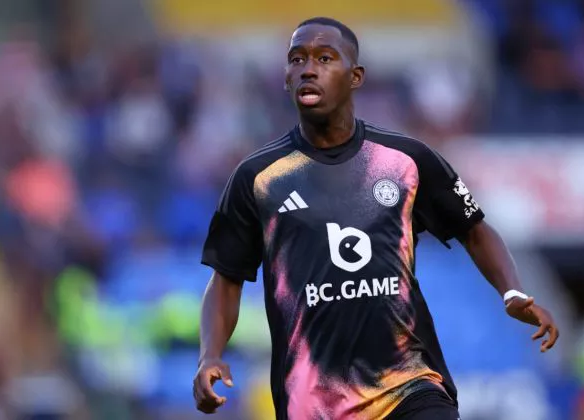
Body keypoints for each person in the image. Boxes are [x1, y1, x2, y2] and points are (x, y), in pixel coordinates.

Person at [193, 17, 560, 420]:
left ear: (355, 76)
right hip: (315, 403)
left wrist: (511, 292)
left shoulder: (407, 160)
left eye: (325, 58)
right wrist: (209, 355)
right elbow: (225, 279)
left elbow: (474, 229)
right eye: (296, 60)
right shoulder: (258, 178)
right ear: (285, 78)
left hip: (410, 386)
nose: (308, 69)